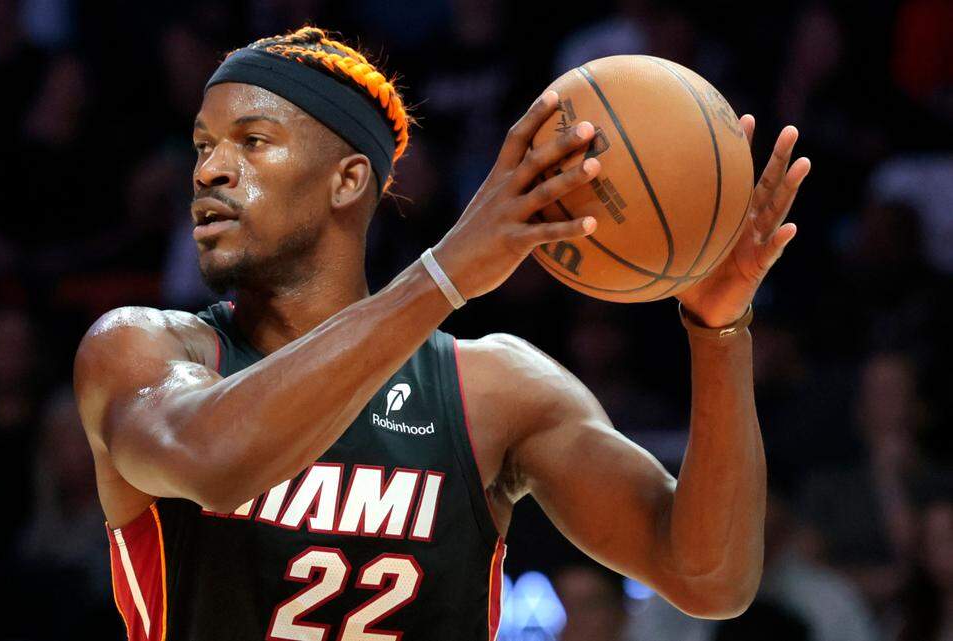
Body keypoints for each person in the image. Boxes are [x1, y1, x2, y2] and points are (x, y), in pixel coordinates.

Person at [73, 26, 811, 640]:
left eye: (252, 140)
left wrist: (720, 329)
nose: (211, 172)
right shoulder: (143, 351)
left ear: (348, 180)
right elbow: (215, 462)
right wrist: (446, 273)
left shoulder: (493, 390)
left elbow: (709, 577)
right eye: (203, 147)